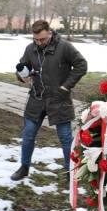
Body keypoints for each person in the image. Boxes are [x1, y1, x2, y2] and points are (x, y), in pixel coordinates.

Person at [10, 20, 88, 181]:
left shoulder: (64, 47)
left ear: (50, 33)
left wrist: (66, 86)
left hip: (59, 98)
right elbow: (22, 67)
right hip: (37, 98)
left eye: (42, 39)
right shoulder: (30, 49)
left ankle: (70, 172)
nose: (39, 43)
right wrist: (22, 75)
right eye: (36, 40)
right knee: (28, 134)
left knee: (65, 137)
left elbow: (82, 65)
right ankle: (24, 168)